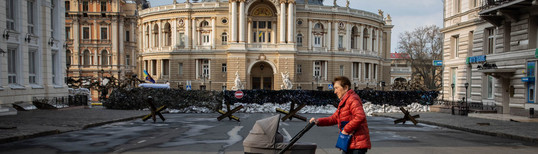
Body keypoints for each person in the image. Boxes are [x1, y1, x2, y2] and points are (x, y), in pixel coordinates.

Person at [310, 76, 371, 154]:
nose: (335, 91)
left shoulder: (352, 99)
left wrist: (346, 129)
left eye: (336, 88)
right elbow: (334, 118)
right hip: (350, 142)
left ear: (345, 87)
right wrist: (318, 121)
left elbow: (360, 116)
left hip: (356, 143)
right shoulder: (345, 101)